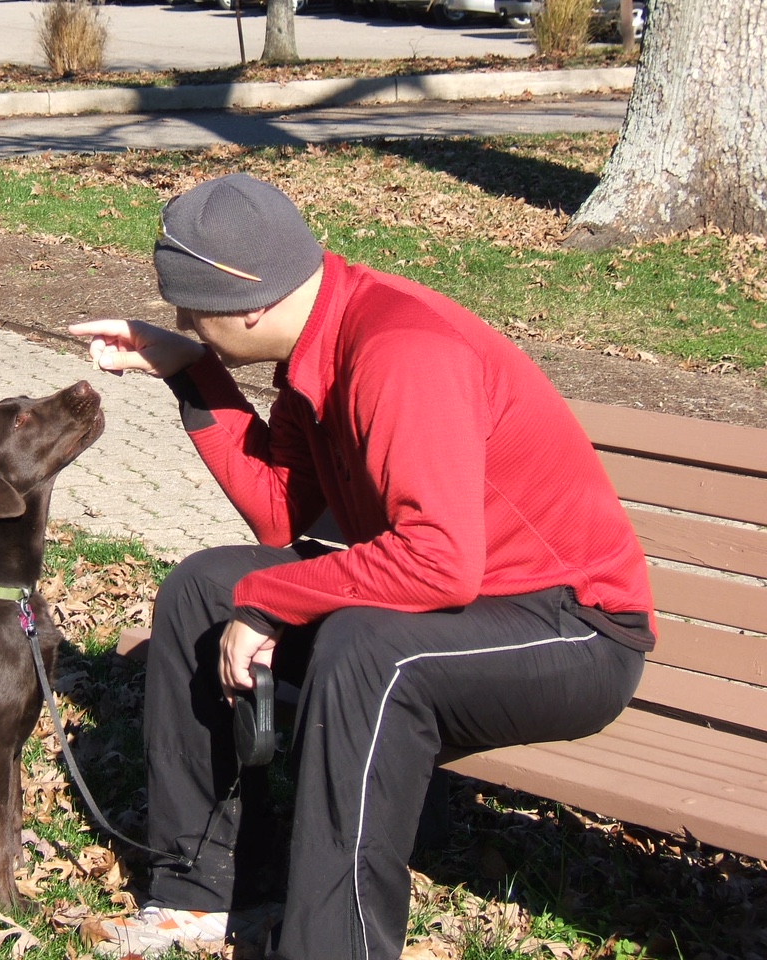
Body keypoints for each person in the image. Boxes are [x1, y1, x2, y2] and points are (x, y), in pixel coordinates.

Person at [68, 173, 655, 960]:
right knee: (205, 591)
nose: (182, 322)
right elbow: (281, 513)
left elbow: (440, 562)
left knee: (367, 655)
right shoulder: (318, 342)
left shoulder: (399, 351)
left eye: (190, 310)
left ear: (247, 304)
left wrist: (271, 600)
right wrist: (191, 370)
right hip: (467, 605)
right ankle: (205, 895)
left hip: (573, 629)